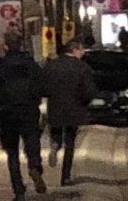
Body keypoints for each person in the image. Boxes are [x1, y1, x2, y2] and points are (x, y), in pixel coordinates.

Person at [0, 33, 47, 201]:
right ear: (21, 46)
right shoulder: (31, 66)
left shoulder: (1, 69)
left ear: (7, 46)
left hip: (8, 113)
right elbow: (43, 85)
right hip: (29, 111)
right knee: (32, 142)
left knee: (12, 152)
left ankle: (19, 192)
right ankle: (35, 167)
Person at [42, 40, 101, 186]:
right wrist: (85, 103)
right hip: (74, 108)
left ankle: (55, 145)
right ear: (74, 50)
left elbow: (43, 88)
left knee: (56, 131)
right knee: (70, 141)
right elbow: (89, 91)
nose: (83, 53)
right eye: (81, 50)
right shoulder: (82, 67)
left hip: (55, 107)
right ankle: (65, 176)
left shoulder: (52, 65)